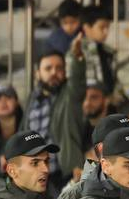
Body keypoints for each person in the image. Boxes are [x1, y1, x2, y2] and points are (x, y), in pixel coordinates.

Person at [23, 46, 88, 190]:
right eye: (48, 68)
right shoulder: (31, 100)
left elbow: (78, 81)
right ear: (37, 73)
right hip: (34, 174)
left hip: (65, 174)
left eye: (59, 68)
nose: (54, 72)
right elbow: (23, 133)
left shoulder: (70, 95)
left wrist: (77, 59)